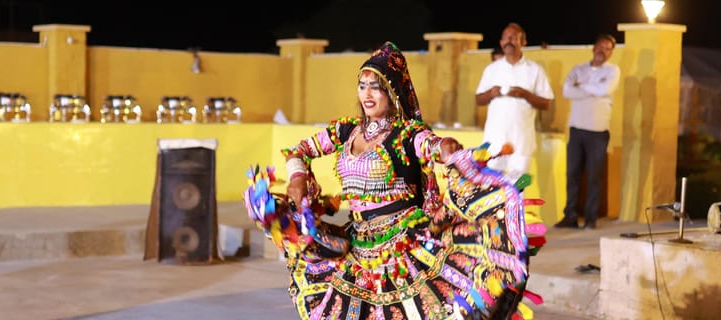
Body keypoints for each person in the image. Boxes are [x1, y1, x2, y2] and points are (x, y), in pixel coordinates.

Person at [243, 41, 544, 319]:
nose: (367, 94)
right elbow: (298, 151)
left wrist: (446, 147)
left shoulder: (407, 134)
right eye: (362, 86)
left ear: (392, 92)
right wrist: (297, 177)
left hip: (403, 247)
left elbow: (433, 145)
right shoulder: (347, 131)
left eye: (376, 87)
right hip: (358, 246)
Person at [554, 34, 620, 230]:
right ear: (593, 48)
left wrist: (581, 86)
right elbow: (567, 91)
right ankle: (570, 216)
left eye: (607, 49)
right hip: (576, 129)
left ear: (611, 53)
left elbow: (605, 90)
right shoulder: (578, 69)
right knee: (572, 174)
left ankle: (591, 218)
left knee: (594, 177)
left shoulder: (612, 70)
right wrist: (593, 89)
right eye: (600, 47)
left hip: (598, 131)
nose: (603, 51)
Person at [475, 23, 554, 182]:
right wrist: (491, 94)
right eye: (505, 38)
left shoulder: (535, 70)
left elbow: (546, 103)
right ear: (501, 42)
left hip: (521, 141)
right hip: (494, 141)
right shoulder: (492, 69)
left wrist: (525, 94)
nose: (508, 41)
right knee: (490, 187)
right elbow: (479, 99)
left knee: (517, 188)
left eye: (513, 38)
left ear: (523, 42)